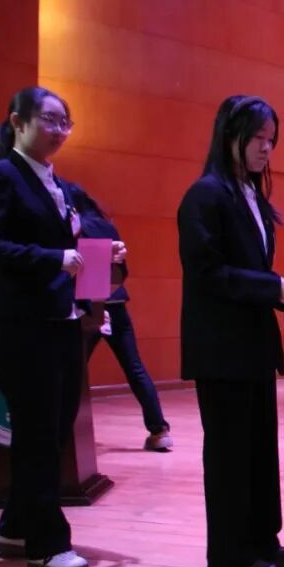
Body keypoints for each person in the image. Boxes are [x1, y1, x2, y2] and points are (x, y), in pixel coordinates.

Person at [177, 95, 284, 567]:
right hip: (220, 349)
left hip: (251, 346)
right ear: (229, 136)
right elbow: (207, 272)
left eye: (271, 139)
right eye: (257, 138)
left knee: (257, 451)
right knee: (229, 454)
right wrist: (271, 287)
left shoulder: (249, 193)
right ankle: (228, 558)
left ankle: (260, 539)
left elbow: (252, 274)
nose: (266, 148)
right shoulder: (204, 196)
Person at [0, 86, 121, 567]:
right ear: (17, 122)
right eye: (49, 120)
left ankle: (15, 528)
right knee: (39, 435)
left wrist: (106, 252)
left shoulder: (58, 183)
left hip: (63, 321)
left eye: (65, 122)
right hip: (24, 326)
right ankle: (47, 545)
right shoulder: (2, 176)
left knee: (53, 430)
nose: (59, 131)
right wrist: (54, 258)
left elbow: (76, 243)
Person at [69, 185, 173, 451]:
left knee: (73, 370)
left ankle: (65, 430)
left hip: (90, 304)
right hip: (115, 301)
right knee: (134, 367)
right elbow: (120, 269)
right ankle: (159, 430)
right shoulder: (107, 226)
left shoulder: (75, 227)